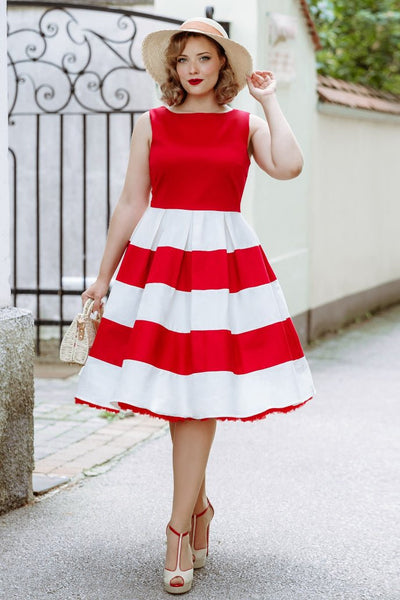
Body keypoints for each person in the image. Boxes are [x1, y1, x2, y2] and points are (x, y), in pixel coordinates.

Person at [76, 16, 315, 595]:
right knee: (182, 394)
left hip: (223, 268)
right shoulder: (152, 123)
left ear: (223, 66)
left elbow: (288, 165)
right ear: (174, 70)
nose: (194, 68)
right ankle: (200, 509)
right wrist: (102, 278)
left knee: (200, 391)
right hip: (160, 265)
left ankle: (179, 528)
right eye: (184, 60)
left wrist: (271, 101)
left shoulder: (244, 122)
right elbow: (132, 202)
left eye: (205, 58)